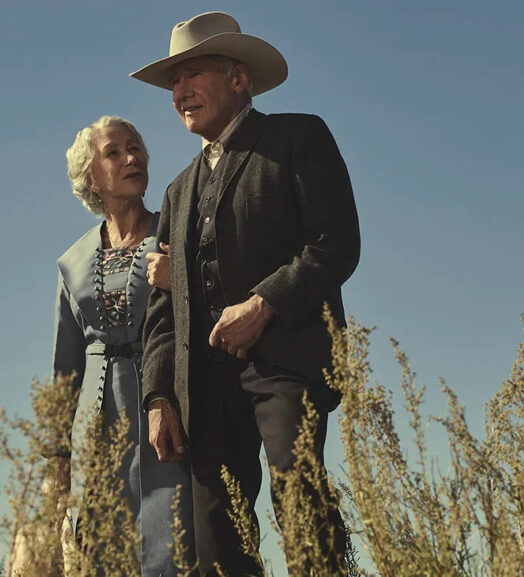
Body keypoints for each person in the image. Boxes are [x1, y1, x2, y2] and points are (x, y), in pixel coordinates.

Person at [134, 12, 360, 577]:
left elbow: (336, 243)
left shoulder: (297, 137)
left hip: (286, 366)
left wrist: (264, 303)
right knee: (217, 542)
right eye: (173, 83)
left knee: (302, 510)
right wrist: (159, 396)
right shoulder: (176, 190)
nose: (181, 92)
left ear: (239, 79)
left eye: (193, 75)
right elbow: (161, 311)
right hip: (203, 388)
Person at [38, 115, 194, 576]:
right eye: (115, 152)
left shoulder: (176, 234)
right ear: (92, 177)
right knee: (102, 552)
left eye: (137, 147)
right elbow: (63, 370)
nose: (132, 158)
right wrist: (57, 457)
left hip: (170, 410)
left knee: (176, 542)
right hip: (97, 430)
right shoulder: (72, 263)